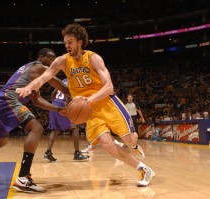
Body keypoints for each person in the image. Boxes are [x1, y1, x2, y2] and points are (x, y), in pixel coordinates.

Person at [16, 23, 155, 187]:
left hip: (107, 103)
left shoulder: (93, 58)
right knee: (107, 144)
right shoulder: (62, 61)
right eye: (65, 42)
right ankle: (144, 169)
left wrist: (89, 99)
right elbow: (45, 77)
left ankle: (134, 144)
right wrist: (29, 87)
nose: (67, 45)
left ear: (80, 41)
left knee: (129, 140)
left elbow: (109, 86)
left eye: (70, 42)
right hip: (90, 111)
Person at [0, 48, 69, 193]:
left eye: (54, 58)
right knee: (36, 128)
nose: (53, 61)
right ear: (41, 57)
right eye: (50, 58)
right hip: (7, 100)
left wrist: (57, 109)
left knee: (0, 141)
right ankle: (23, 177)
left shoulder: (32, 74)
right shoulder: (39, 67)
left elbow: (37, 101)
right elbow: (62, 86)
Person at [44, 78, 89, 161]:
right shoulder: (75, 80)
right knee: (75, 127)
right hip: (63, 105)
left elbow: (53, 93)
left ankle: (48, 152)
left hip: (54, 105)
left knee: (54, 130)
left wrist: (55, 102)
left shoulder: (63, 80)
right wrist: (69, 106)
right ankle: (77, 153)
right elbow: (68, 96)